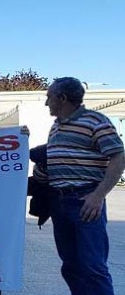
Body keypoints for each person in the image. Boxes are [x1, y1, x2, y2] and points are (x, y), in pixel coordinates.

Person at [44, 77, 124, 295]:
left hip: (84, 201)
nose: (46, 102)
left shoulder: (95, 121)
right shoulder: (56, 126)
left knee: (92, 266)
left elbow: (118, 156)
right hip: (60, 202)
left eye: (49, 97)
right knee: (70, 266)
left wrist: (98, 196)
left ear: (62, 98)